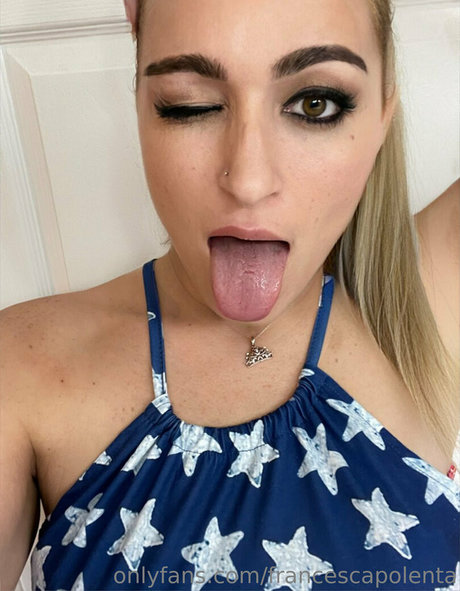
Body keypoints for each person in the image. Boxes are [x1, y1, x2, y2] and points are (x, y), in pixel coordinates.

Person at [1, 0, 459, 589]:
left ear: (383, 113)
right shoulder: (24, 367)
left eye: (315, 103)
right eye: (190, 104)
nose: (248, 180)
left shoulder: (423, 296)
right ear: (139, 100)